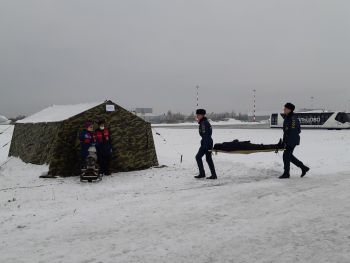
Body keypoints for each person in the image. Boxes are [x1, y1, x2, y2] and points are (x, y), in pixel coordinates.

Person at [280, 103, 310, 179]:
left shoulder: (293, 119)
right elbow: (286, 131)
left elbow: (293, 132)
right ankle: (303, 168)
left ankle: (286, 173)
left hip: (292, 141)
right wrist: (284, 141)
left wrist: (289, 144)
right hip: (288, 141)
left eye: (285, 108)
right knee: (289, 156)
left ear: (289, 110)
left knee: (286, 156)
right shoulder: (287, 117)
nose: (284, 109)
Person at [194, 109, 217, 180]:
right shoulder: (204, 122)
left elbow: (205, 135)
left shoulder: (203, 123)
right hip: (208, 142)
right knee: (208, 159)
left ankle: (202, 173)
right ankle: (213, 175)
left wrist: (205, 146)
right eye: (197, 115)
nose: (197, 116)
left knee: (198, 157)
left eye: (198, 115)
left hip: (206, 142)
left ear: (202, 115)